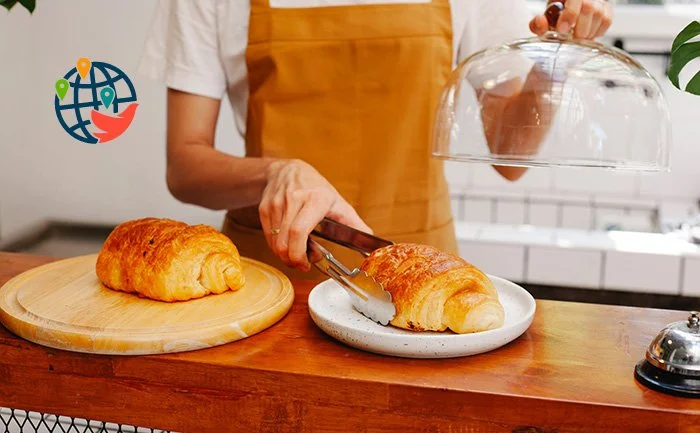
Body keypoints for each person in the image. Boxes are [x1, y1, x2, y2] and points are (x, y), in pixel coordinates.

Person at [138, 0, 613, 280]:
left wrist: (555, 62)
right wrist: (276, 172)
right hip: (272, 281)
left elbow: (511, 159)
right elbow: (185, 168)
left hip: (418, 279)